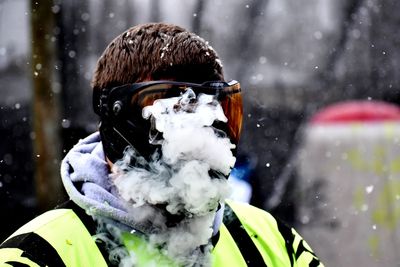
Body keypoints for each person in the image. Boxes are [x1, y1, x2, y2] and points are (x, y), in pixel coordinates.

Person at [0, 23, 323, 267]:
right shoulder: (38, 254)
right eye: (170, 116)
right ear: (119, 121)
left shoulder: (269, 238)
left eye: (212, 116)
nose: (196, 141)